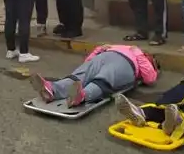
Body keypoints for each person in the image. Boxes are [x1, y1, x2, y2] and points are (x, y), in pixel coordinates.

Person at [29, 44, 159, 107]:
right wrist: (99, 49)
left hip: (126, 64)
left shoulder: (140, 57)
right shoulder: (128, 48)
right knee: (82, 73)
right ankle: (51, 89)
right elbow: (88, 61)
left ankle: (82, 95)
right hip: (106, 55)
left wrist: (138, 54)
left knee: (105, 77)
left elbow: (150, 77)